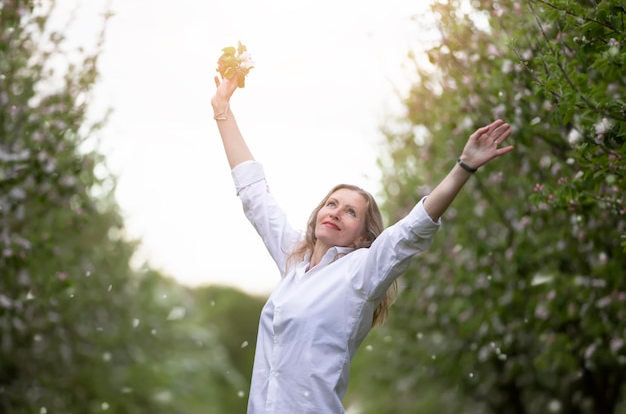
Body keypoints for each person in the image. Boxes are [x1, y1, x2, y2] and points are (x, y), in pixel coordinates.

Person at [211, 73, 513, 414]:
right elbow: (255, 195)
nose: (337, 212)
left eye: (350, 212)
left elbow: (410, 232)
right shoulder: (294, 259)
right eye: (332, 204)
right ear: (317, 214)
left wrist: (463, 167)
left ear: (364, 236)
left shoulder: (360, 274)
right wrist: (222, 110)